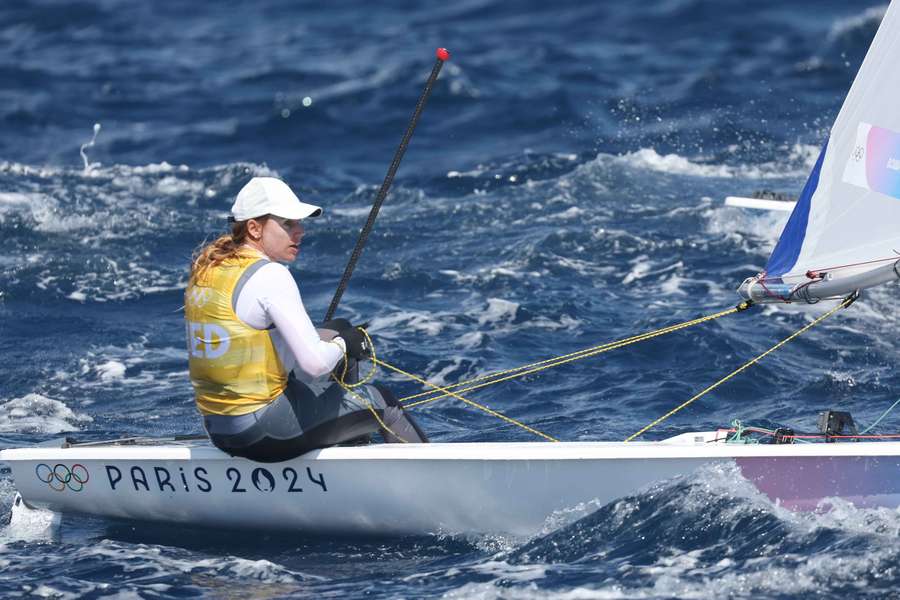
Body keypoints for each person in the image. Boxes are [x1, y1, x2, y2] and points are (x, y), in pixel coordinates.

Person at [185, 176, 428, 462]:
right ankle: (436, 485)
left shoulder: (210, 266)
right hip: (260, 432)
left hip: (219, 428)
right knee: (383, 402)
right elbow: (315, 365)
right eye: (288, 224)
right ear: (254, 228)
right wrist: (345, 345)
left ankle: (344, 436)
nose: (299, 232)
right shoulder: (270, 275)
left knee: (337, 329)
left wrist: (338, 337)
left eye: (299, 223)